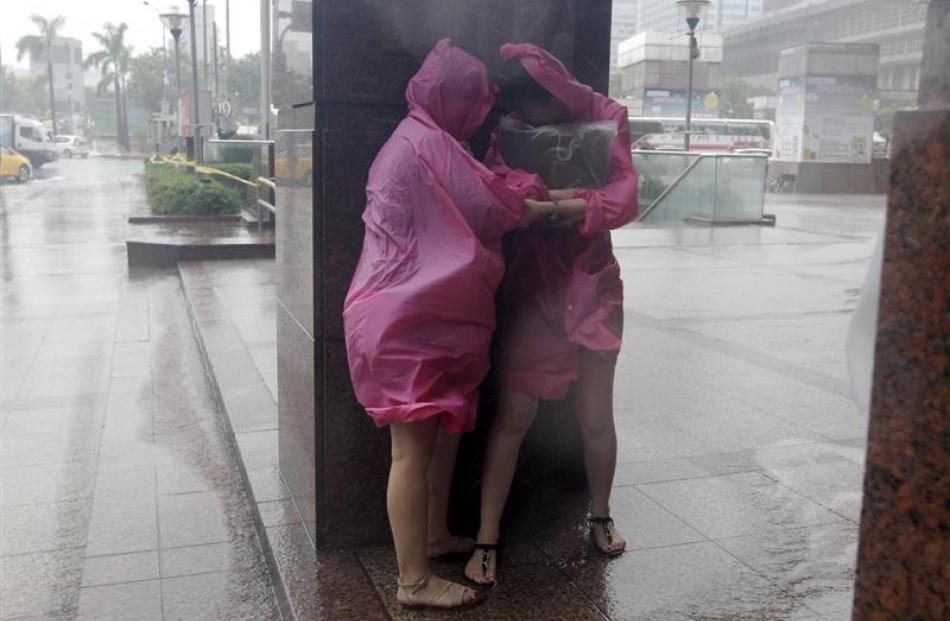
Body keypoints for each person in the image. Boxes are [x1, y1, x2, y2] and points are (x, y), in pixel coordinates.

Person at [343, 39, 549, 609]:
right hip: (411, 318)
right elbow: (499, 209)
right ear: (456, 98)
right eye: (473, 102)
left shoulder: (416, 138)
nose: (478, 114)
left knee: (433, 438)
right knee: (411, 451)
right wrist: (557, 202)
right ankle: (413, 581)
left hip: (404, 314)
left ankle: (432, 536)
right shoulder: (433, 145)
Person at [465, 43, 639, 587]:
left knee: (595, 416)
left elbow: (627, 195)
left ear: (557, 93)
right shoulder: (511, 124)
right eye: (525, 117)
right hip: (534, 291)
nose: (534, 123)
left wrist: (560, 203)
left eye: (543, 112)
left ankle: (602, 514)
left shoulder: (608, 116)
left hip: (594, 289)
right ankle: (486, 539)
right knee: (513, 416)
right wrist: (546, 197)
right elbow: (495, 187)